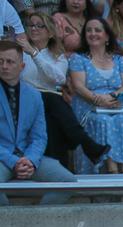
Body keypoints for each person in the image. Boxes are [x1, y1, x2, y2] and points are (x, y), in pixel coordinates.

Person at [19, 11, 109, 167]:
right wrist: (31, 52)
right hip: (26, 98)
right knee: (53, 98)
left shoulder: (58, 55)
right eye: (31, 25)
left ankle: (59, 169)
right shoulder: (21, 53)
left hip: (47, 106)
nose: (34, 29)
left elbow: (58, 78)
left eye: (39, 26)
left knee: (52, 121)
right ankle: (87, 144)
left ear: (50, 33)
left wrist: (34, 54)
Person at [0, 39, 77, 205]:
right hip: (2, 158)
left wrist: (30, 160)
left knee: (67, 181)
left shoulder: (34, 95)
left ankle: (37, 219)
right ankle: (9, 222)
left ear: (22, 66)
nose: (4, 66)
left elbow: (39, 136)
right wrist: (14, 162)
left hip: (29, 158)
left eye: (10, 62)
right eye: (0, 61)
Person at [68, 17, 123, 173]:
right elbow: (79, 86)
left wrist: (112, 97)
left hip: (117, 106)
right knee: (103, 121)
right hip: (89, 108)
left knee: (122, 120)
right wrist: (98, 100)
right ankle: (111, 169)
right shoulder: (78, 59)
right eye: (89, 30)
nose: (92, 33)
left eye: (97, 30)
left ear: (107, 36)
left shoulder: (120, 60)